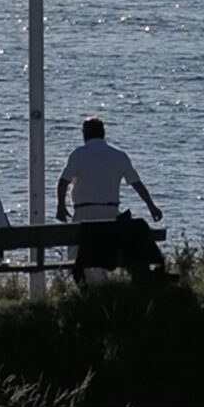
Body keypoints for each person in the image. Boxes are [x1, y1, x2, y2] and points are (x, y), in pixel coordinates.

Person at [57, 116, 163, 284]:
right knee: (105, 249)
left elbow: (63, 182)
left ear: (85, 134)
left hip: (83, 213)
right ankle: (104, 286)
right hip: (110, 212)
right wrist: (151, 206)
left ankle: (85, 289)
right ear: (103, 133)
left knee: (78, 254)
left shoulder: (78, 154)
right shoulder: (118, 155)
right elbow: (136, 183)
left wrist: (61, 206)